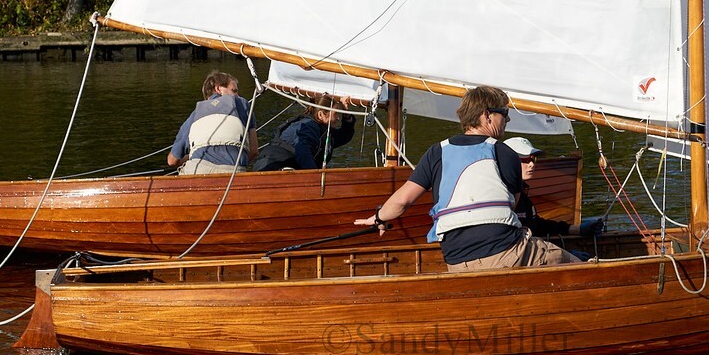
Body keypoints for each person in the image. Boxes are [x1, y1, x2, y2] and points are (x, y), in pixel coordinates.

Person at [354, 85, 580, 271]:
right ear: (487, 115)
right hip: (508, 253)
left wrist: (378, 218)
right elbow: (513, 203)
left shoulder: (436, 152)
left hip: (457, 262)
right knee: (579, 266)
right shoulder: (505, 153)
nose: (508, 120)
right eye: (505, 113)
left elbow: (402, 201)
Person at [504, 137, 603, 238]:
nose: (532, 164)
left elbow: (536, 225)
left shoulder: (523, 195)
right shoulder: (503, 195)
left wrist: (577, 229)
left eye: (533, 159)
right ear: (508, 162)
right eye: (525, 159)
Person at [167, 71, 259, 175]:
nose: (237, 95)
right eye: (234, 91)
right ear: (218, 89)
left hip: (198, 171)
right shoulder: (243, 104)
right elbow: (254, 150)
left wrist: (194, 155)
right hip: (233, 172)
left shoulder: (196, 114)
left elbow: (172, 161)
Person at [253, 94, 355, 171]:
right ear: (321, 115)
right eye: (336, 114)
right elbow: (303, 150)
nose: (338, 118)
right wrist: (314, 177)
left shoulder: (323, 131)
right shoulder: (308, 126)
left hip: (280, 166)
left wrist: (347, 115)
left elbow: (344, 136)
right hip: (274, 166)